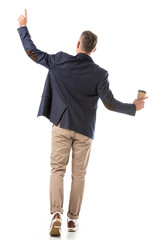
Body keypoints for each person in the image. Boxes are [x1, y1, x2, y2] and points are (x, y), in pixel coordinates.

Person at [17, 9, 148, 237]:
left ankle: (56, 214)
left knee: (57, 169)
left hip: (61, 125)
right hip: (84, 132)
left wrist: (22, 26)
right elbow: (109, 103)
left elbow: (32, 52)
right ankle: (71, 221)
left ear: (78, 44)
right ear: (93, 49)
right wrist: (133, 107)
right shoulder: (100, 74)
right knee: (79, 176)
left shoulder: (59, 60)